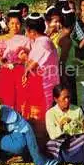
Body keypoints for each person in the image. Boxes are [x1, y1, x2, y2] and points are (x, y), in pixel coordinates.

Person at [21, 13, 60, 149]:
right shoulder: (40, 41)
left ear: (31, 31)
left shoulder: (44, 42)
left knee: (43, 117)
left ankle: (44, 147)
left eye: (27, 31)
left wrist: (25, 68)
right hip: (40, 84)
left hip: (45, 85)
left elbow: (33, 64)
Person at [0, 10, 30, 111]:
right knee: (6, 100)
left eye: (17, 23)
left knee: (21, 100)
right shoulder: (0, 39)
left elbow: (29, 59)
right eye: (12, 23)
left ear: (21, 25)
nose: (15, 26)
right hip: (5, 72)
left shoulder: (26, 40)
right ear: (7, 24)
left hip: (21, 72)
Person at [45, 84, 84, 163]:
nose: (67, 100)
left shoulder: (77, 110)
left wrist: (83, 127)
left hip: (74, 142)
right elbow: (52, 135)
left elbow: (83, 127)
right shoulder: (50, 113)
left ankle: (76, 160)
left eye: (68, 97)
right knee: (50, 144)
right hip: (59, 143)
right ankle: (60, 161)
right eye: (64, 98)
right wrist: (61, 125)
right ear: (56, 99)